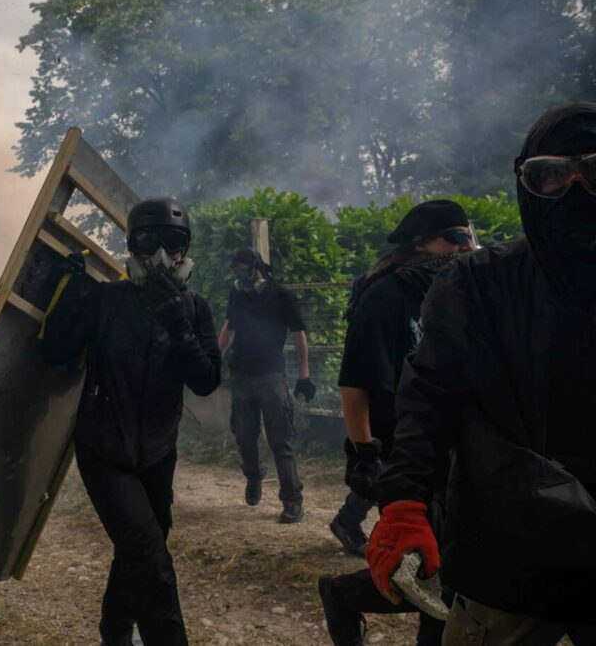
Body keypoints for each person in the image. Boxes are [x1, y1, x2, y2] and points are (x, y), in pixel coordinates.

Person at [366, 103, 596, 644]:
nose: (576, 194)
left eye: (594, 172)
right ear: (525, 183)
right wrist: (403, 502)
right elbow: (428, 397)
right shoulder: (479, 283)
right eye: (552, 176)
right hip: (508, 548)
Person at [42, 197, 221, 646]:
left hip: (159, 450)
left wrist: (179, 326)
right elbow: (54, 354)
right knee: (149, 556)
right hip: (104, 450)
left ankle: (115, 632)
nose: (160, 256)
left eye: (173, 242)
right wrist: (65, 297)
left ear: (185, 250)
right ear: (132, 247)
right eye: (147, 242)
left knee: (143, 544)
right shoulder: (106, 301)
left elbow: (205, 381)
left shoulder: (196, 310)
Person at [318, 200, 475, 645]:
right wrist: (364, 452)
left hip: (451, 448)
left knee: (447, 571)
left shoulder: (450, 289)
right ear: (421, 243)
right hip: (403, 449)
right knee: (426, 566)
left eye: (470, 237)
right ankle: (343, 593)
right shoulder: (385, 295)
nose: (468, 247)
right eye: (456, 238)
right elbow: (356, 383)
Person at [218, 248, 314, 523]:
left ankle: (293, 501)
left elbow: (298, 334)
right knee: (244, 436)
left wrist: (304, 375)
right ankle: (254, 477)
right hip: (241, 376)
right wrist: (214, 359)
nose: (240, 278)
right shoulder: (237, 293)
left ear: (257, 270)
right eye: (235, 272)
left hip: (271, 376)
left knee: (280, 441)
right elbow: (230, 326)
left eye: (244, 271)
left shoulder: (281, 295)